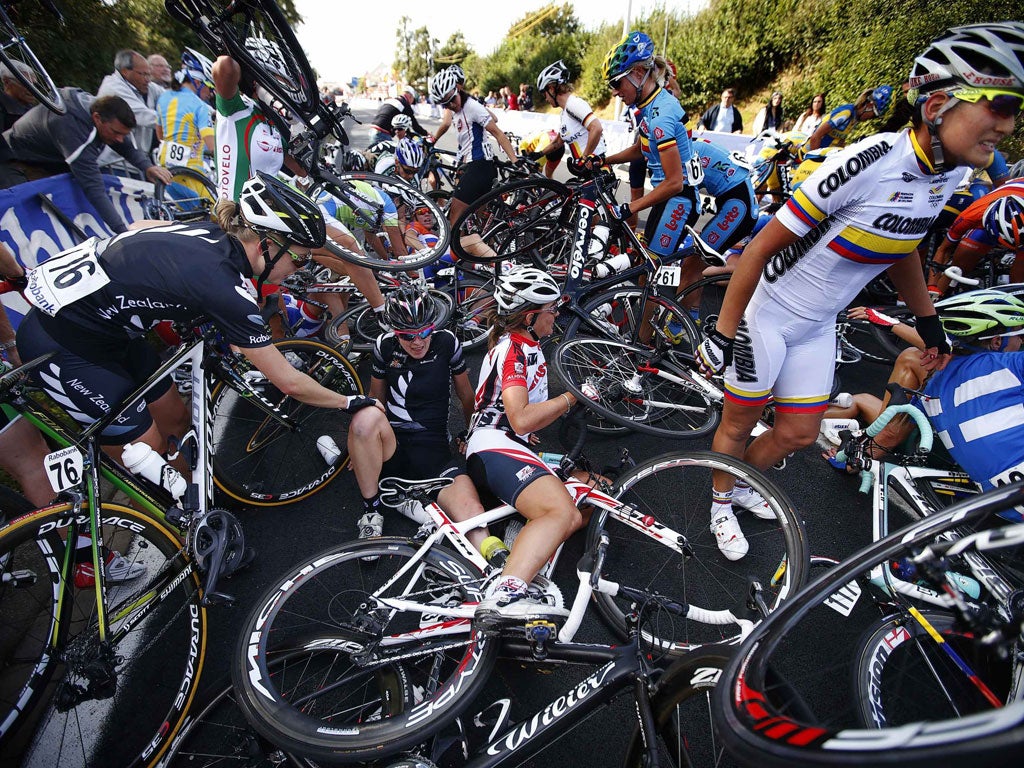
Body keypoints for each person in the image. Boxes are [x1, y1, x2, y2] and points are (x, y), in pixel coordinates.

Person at [695, 21, 1024, 561]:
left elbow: (902, 252)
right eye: (999, 106)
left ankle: (739, 484)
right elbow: (758, 249)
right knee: (740, 420)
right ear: (938, 104)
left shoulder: (949, 174)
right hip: (770, 316)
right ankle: (719, 502)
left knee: (799, 433)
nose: (1008, 126)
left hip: (819, 324)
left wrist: (928, 320)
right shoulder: (870, 161)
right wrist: (723, 332)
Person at [16, 172, 381, 486]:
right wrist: (349, 402)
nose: (300, 268)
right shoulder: (225, 287)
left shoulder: (211, 235)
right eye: (299, 257)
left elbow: (138, 228)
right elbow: (288, 381)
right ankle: (157, 532)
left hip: (110, 332)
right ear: (267, 244)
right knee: (146, 451)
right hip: (63, 346)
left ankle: (189, 506)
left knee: (176, 418)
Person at [822, 292, 1024, 518]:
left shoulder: (931, 388)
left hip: (1000, 502)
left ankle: (851, 406)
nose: (1022, 342)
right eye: (1020, 337)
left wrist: (850, 459)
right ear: (997, 341)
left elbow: (889, 434)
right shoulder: (1013, 365)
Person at [467, 266, 592, 625]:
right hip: (492, 444)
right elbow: (520, 417)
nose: (556, 315)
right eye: (552, 309)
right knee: (562, 512)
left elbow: (518, 419)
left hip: (505, 444)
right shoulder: (512, 351)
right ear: (531, 315)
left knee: (594, 493)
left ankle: (520, 536)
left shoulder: (526, 346)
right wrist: (573, 397)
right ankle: (505, 593)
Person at [347, 286, 487, 545]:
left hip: (434, 452)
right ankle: (371, 510)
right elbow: (375, 399)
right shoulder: (384, 346)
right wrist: (361, 443)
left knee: (474, 516)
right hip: (393, 447)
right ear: (394, 332)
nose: (418, 342)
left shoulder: (447, 342)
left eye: (424, 332)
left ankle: (500, 577)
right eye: (406, 336)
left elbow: (466, 395)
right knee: (365, 416)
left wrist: (471, 434)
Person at [602, 32, 702, 291]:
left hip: (676, 199)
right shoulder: (650, 107)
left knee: (651, 278)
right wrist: (604, 159)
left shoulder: (661, 115)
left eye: (617, 83)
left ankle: (651, 331)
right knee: (648, 270)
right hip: (665, 197)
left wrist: (631, 208)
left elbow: (675, 182)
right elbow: (640, 149)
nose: (615, 92)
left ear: (637, 74)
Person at [2, 91, 173, 231]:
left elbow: (124, 145)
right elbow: (93, 188)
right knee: (36, 213)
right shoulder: (72, 129)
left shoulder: (98, 109)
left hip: (45, 156)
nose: (120, 139)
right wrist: (122, 230)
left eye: (123, 134)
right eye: (116, 132)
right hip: (15, 160)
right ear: (97, 118)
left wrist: (147, 166)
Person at [428, 68, 519, 232]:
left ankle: (456, 255)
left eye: (452, 99)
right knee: (479, 221)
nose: (451, 105)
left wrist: (516, 161)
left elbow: (497, 132)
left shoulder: (471, 106)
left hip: (479, 166)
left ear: (457, 89)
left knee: (455, 219)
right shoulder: (460, 109)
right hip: (474, 166)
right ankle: (486, 251)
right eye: (445, 104)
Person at [929, 184, 1024, 295]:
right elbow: (944, 249)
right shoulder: (970, 216)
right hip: (986, 216)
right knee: (959, 267)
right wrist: (932, 287)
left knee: (1018, 283)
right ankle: (935, 302)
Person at [534, 59, 607, 178]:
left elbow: (596, 128)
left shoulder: (574, 104)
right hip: (586, 170)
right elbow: (558, 142)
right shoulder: (565, 113)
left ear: (551, 89)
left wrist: (584, 158)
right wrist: (538, 154)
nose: (546, 99)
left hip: (596, 167)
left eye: (544, 94)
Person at [97, 50, 164, 163]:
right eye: (143, 74)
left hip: (136, 161)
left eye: (149, 74)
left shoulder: (146, 86)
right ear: (125, 72)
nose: (148, 79)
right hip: (115, 163)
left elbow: (170, 97)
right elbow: (143, 116)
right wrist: (178, 123)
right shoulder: (113, 88)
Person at [155, 48, 215, 173]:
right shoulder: (200, 106)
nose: (211, 92)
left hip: (165, 172)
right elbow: (213, 147)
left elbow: (160, 135)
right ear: (198, 82)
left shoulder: (164, 97)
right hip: (192, 173)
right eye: (210, 86)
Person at [805, 84, 893, 151]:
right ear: (869, 106)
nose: (870, 119)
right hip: (810, 153)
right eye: (873, 115)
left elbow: (840, 141)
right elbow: (816, 136)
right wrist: (815, 161)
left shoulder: (854, 118)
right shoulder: (846, 113)